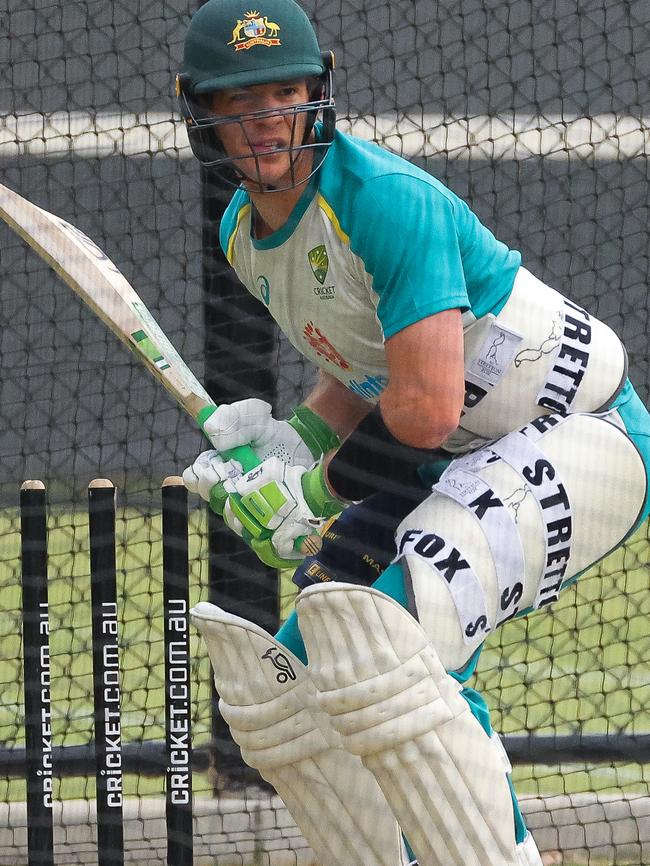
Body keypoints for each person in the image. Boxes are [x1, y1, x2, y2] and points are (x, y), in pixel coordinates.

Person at [178, 1, 650, 864]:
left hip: (582, 435)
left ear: (317, 94)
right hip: (452, 458)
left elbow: (425, 409)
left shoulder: (386, 203)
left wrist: (313, 491)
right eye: (239, 105)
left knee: (394, 646)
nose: (266, 123)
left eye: (282, 95)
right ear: (199, 112)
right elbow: (361, 369)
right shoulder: (243, 236)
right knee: (292, 697)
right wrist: (289, 449)